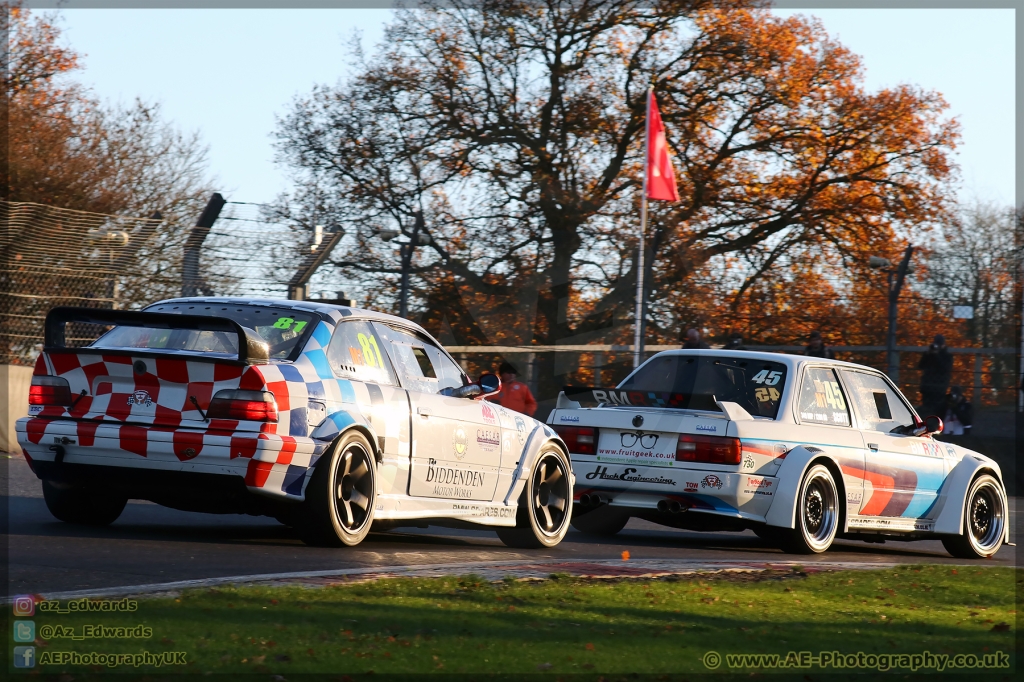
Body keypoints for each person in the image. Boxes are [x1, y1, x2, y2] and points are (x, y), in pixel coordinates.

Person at [918, 334, 953, 417]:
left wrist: (937, 355)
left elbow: (945, 368)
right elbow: (920, 365)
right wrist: (927, 354)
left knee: (937, 410)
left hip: (939, 387)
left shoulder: (947, 356)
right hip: (927, 387)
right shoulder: (929, 354)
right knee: (925, 410)